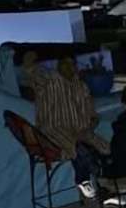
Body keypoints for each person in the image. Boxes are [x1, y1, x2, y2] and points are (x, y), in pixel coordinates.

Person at [22, 52, 110, 198]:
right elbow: (31, 71)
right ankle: (86, 180)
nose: (68, 67)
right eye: (64, 63)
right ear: (58, 65)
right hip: (54, 129)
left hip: (81, 130)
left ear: (76, 67)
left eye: (72, 64)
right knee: (77, 146)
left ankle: (104, 182)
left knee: (104, 147)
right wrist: (29, 58)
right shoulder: (50, 80)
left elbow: (93, 115)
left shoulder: (81, 86)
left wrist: (89, 127)